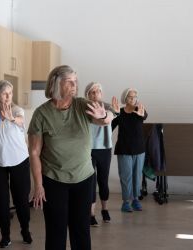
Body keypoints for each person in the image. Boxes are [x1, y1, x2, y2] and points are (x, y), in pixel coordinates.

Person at [28, 65, 114, 250]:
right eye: (70, 82)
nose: (75, 86)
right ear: (57, 83)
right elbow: (34, 152)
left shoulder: (81, 105)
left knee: (81, 230)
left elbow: (103, 119)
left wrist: (105, 115)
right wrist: (38, 184)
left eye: (76, 81)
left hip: (83, 179)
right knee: (56, 232)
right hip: (54, 181)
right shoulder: (41, 114)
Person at [0, 80, 32, 248]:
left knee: (21, 200)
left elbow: (20, 121)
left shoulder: (18, 111)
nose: (9, 96)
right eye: (5, 93)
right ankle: (5, 235)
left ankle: (25, 230)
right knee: (1, 201)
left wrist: (11, 118)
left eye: (10, 92)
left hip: (19, 161)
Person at [84, 82, 119, 226]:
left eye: (98, 91)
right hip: (88, 149)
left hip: (105, 149)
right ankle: (91, 213)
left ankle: (105, 209)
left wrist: (108, 115)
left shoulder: (108, 107)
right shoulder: (84, 108)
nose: (95, 94)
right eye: (92, 92)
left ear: (101, 93)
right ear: (88, 95)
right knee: (91, 183)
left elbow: (108, 118)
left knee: (103, 181)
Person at [112, 87, 148, 212]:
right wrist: (113, 114)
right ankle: (126, 202)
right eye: (130, 97)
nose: (133, 99)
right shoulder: (119, 112)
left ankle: (136, 200)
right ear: (125, 98)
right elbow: (109, 126)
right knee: (126, 176)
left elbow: (145, 116)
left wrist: (141, 114)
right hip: (124, 149)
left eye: (135, 97)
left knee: (137, 176)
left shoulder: (140, 110)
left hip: (139, 149)